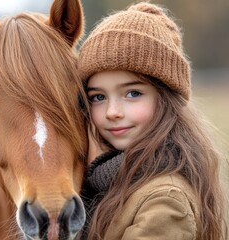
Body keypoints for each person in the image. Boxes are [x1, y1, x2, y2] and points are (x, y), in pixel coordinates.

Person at [78, 2, 227, 240]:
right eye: (98, 97)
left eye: (133, 93)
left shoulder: (165, 201)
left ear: (166, 100)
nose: (112, 112)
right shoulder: (106, 180)